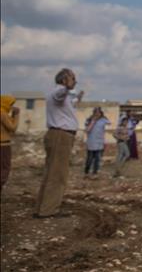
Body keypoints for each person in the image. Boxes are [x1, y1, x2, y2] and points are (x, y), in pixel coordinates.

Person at [34, 68, 84, 218]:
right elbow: (60, 95)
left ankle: (42, 208)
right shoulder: (59, 92)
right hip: (61, 136)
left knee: (51, 172)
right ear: (64, 80)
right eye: (72, 78)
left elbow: (69, 103)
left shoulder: (62, 95)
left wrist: (78, 97)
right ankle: (49, 210)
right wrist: (67, 87)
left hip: (58, 135)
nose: (75, 81)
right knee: (58, 174)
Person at [1, 95, 20, 193]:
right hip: (3, 146)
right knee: (5, 168)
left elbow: (7, 125)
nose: (11, 107)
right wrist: (16, 116)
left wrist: (12, 115)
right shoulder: (2, 113)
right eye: (10, 104)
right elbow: (13, 128)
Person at [84, 107, 110, 178]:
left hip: (99, 142)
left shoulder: (103, 120)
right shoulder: (89, 120)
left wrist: (103, 116)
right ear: (93, 113)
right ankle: (86, 171)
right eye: (96, 113)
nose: (97, 114)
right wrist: (93, 122)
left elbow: (109, 123)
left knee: (97, 159)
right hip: (91, 142)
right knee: (90, 158)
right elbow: (87, 130)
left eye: (99, 113)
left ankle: (95, 172)